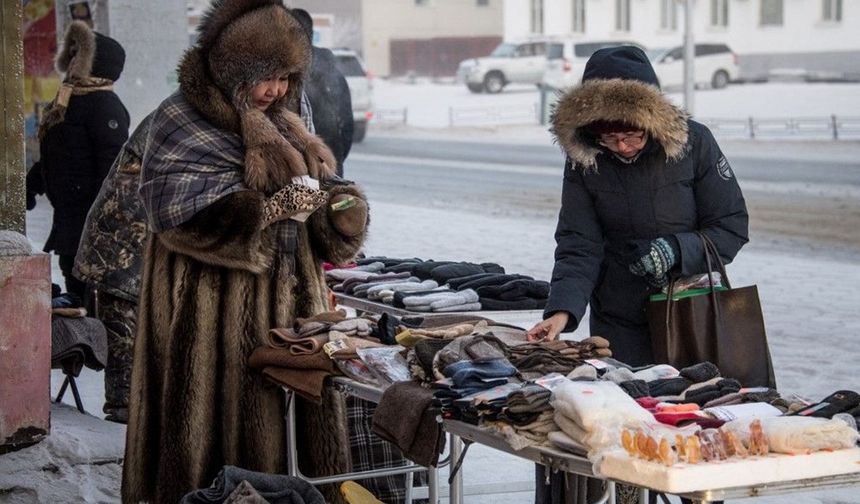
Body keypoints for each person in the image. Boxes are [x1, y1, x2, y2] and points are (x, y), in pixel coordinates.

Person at [122, 1, 369, 502]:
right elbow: (172, 214)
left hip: (291, 298)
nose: (277, 90)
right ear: (234, 71)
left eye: (286, 77)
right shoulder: (180, 117)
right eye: (267, 77)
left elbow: (318, 187)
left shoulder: (290, 117)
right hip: (205, 307)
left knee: (283, 426)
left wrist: (340, 210)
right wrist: (269, 209)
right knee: (209, 426)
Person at [527, 46, 747, 504]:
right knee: (628, 437)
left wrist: (676, 249)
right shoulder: (585, 160)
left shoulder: (695, 143)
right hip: (620, 320)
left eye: (630, 135)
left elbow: (730, 227)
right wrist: (562, 312)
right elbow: (578, 243)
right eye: (610, 139)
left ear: (649, 118)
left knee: (692, 435)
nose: (622, 147)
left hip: (690, 319)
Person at [31, 20, 129, 299]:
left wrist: (104, 221)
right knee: (74, 289)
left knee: (92, 297)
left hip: (91, 226)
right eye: (70, 54)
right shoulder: (67, 103)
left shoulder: (104, 106)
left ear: (93, 63)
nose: (72, 61)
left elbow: (113, 165)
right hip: (69, 223)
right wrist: (34, 182)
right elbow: (61, 154)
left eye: (78, 55)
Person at [72, 114, 154, 424]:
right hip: (121, 249)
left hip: (117, 245)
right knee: (125, 344)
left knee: (126, 342)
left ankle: (127, 414)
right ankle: (124, 420)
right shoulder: (179, 122)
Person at [291, 8, 355, 176]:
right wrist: (337, 155)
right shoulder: (332, 69)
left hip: (300, 169)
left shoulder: (286, 71)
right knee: (337, 202)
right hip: (331, 161)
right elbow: (347, 124)